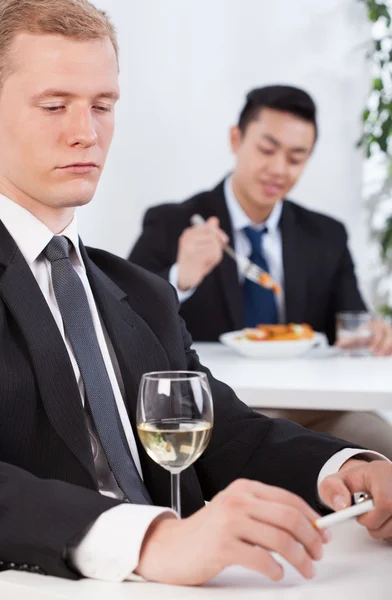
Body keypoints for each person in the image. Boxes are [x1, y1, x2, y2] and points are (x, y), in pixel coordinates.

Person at [0, 0, 391, 588]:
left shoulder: (138, 293)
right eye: (54, 105)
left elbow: (227, 431)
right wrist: (151, 539)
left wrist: (348, 466)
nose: (86, 132)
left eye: (103, 106)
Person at [129, 85, 392, 457]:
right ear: (236, 139)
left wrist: (371, 334)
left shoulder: (326, 236)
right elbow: (125, 322)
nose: (279, 169)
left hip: (316, 408)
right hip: (219, 407)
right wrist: (180, 278)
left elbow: (349, 325)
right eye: (267, 150)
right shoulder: (172, 222)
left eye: (296, 157)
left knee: (382, 450)